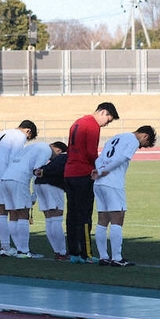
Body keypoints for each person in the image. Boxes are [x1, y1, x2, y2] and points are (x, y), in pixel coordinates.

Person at [92, 126, 156, 267]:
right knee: (117, 217)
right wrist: (105, 171)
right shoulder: (133, 140)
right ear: (145, 136)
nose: (140, 147)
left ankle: (103, 256)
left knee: (102, 219)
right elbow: (122, 158)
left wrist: (98, 170)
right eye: (143, 145)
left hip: (99, 183)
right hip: (113, 182)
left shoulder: (116, 136)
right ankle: (117, 257)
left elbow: (100, 157)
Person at [64, 102, 119, 264]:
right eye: (108, 120)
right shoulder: (92, 126)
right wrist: (100, 167)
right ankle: (86, 253)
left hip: (69, 172)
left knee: (72, 215)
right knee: (85, 215)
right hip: (82, 173)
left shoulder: (78, 122)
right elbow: (90, 152)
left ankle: (73, 252)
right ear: (103, 112)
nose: (107, 124)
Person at [0, 120, 36, 256]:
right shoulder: (19, 136)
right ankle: (5, 247)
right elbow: (14, 159)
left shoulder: (3, 132)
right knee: (2, 211)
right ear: (28, 131)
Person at [2, 136, 58, 259]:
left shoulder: (33, 146)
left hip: (6, 177)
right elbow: (37, 172)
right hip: (19, 180)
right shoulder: (46, 150)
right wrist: (34, 195)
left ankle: (19, 249)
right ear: (58, 150)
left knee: (13, 214)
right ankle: (24, 251)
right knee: (23, 214)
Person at [33, 142, 70, 260]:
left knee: (49, 219)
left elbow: (40, 170)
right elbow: (56, 170)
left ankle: (57, 251)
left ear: (58, 150)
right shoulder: (64, 157)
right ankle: (62, 252)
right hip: (53, 185)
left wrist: (40, 172)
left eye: (51, 148)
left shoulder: (56, 159)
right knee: (56, 218)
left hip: (39, 184)